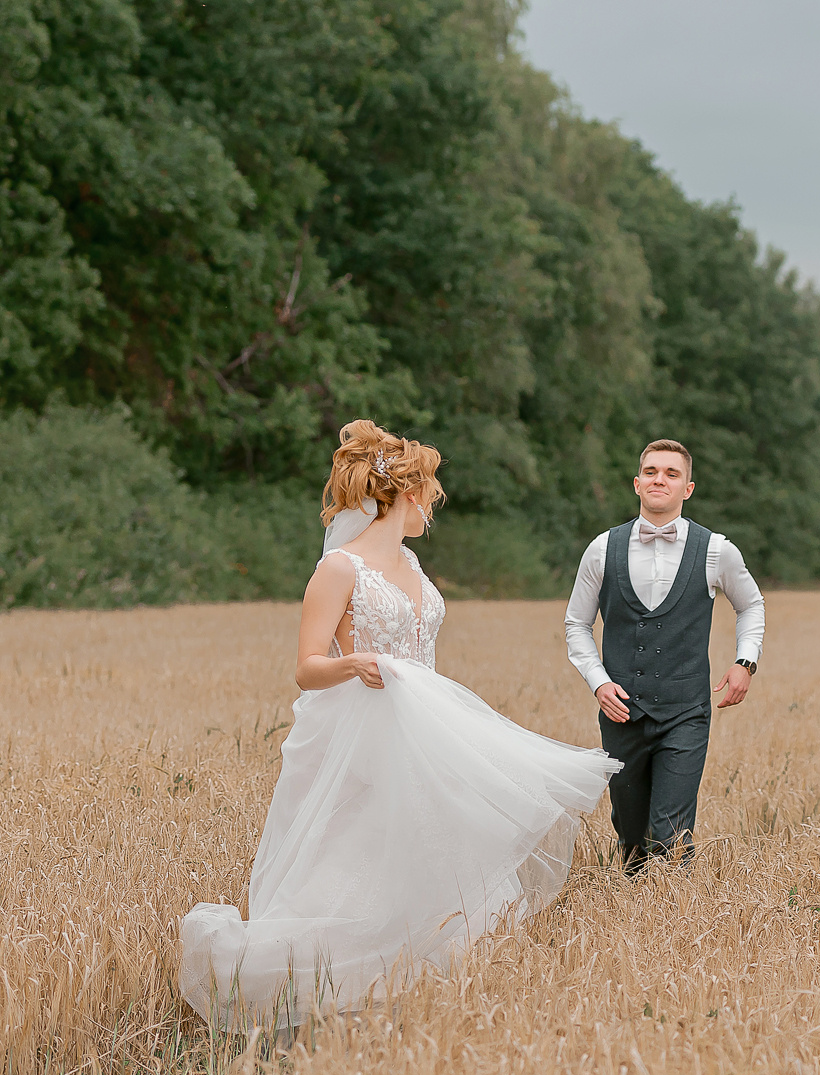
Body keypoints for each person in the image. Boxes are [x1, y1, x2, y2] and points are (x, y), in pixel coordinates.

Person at [179, 420, 622, 1028]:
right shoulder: (339, 568)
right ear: (406, 495)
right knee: (361, 851)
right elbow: (307, 669)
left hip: (427, 723)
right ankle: (332, 982)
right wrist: (353, 661)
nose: (432, 508)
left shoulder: (412, 564)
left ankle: (423, 983)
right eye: (430, 494)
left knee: (438, 843)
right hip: (364, 727)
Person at [562, 439, 765, 872]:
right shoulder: (601, 549)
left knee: (669, 836)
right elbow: (576, 624)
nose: (660, 480)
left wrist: (745, 662)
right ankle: (639, 927)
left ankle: (675, 915)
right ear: (637, 484)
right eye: (652, 472)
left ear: (687, 489)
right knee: (631, 838)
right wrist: (598, 682)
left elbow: (751, 605)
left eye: (672, 474)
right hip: (622, 714)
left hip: (685, 711)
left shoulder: (717, 550)